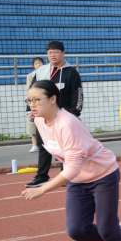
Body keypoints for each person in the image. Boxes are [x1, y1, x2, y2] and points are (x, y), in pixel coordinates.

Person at [20, 80, 121, 241]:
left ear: (53, 99)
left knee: (107, 228)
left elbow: (72, 169)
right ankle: (113, 232)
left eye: (36, 100)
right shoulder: (39, 120)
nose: (32, 105)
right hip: (79, 181)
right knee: (76, 230)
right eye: (29, 100)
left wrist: (42, 189)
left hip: (103, 175)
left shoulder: (68, 124)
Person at [26, 41, 83, 189]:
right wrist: (30, 110)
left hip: (64, 117)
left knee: (66, 147)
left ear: (63, 53)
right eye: (50, 52)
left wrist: (75, 113)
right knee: (43, 146)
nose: (52, 55)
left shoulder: (71, 72)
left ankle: (66, 175)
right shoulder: (41, 71)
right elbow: (32, 91)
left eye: (56, 52)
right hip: (43, 116)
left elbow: (77, 94)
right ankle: (41, 176)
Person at [25, 57, 44, 153]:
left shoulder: (46, 73)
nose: (39, 65)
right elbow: (29, 89)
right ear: (33, 66)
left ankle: (45, 144)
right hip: (34, 99)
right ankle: (34, 145)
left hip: (44, 100)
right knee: (33, 124)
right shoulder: (30, 76)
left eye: (40, 63)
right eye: (36, 63)